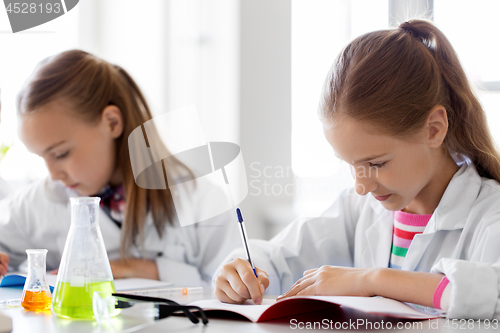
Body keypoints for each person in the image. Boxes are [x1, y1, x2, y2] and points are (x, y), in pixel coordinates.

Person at [213, 19, 500, 319]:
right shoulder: (359, 208)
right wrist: (241, 269)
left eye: (376, 163)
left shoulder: (490, 215)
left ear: (433, 129)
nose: (361, 186)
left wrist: (372, 280)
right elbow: (280, 256)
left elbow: (493, 292)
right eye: (350, 165)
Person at [0, 50, 239, 287]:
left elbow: (235, 289)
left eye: (61, 154)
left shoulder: (202, 201)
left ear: (112, 123)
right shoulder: (37, 204)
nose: (53, 174)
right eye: (42, 157)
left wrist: (144, 269)